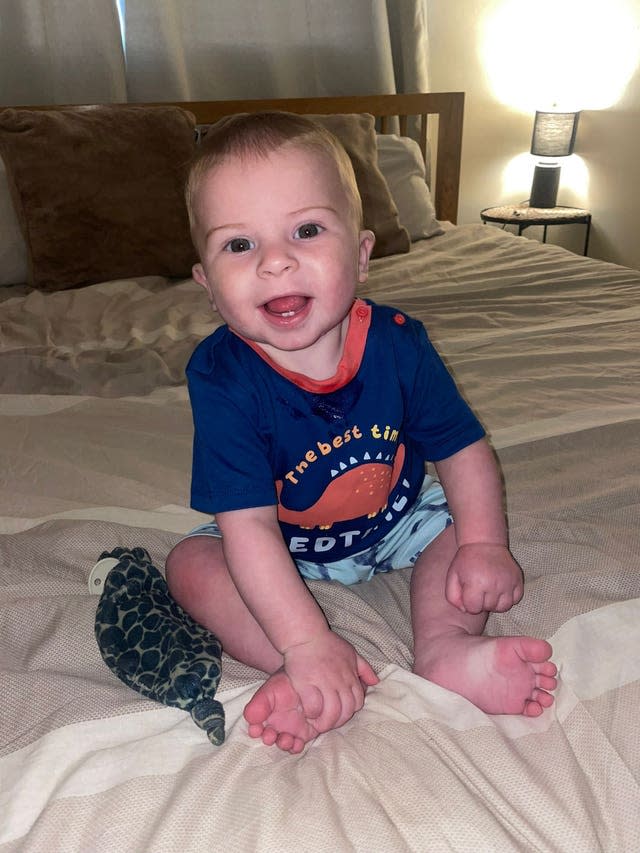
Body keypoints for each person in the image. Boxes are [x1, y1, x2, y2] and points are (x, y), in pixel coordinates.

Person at [166, 112, 557, 754]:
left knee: (462, 528)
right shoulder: (222, 377)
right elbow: (250, 527)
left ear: (362, 253)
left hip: (395, 517)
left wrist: (484, 544)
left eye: (307, 230)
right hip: (281, 540)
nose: (276, 262)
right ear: (208, 285)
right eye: (240, 245)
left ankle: (447, 649)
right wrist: (304, 639)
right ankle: (305, 670)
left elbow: (460, 450)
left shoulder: (399, 344)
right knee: (193, 564)